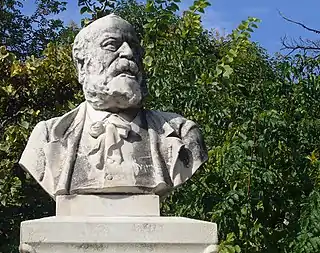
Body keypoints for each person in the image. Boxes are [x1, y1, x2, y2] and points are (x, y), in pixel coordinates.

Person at [19, 14, 207, 199]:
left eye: (134, 47)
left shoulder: (182, 133)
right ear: (82, 65)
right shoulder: (48, 135)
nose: (128, 53)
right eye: (111, 45)